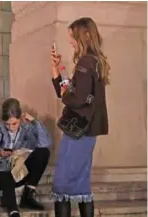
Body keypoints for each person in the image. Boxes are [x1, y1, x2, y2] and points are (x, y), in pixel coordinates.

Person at [50, 17, 110, 217]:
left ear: (83, 36)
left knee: (62, 184)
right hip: (88, 131)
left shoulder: (85, 62)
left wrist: (67, 94)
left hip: (79, 131)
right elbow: (78, 93)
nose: (71, 41)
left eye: (73, 37)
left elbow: (78, 98)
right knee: (81, 182)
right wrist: (57, 70)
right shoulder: (95, 61)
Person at [0, 98, 52, 217]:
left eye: (14, 124)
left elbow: (45, 143)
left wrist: (34, 121)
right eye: (7, 124)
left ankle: (28, 195)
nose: (11, 127)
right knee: (6, 175)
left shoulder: (26, 130)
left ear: (20, 119)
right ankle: (13, 211)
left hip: (18, 172)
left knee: (43, 152)